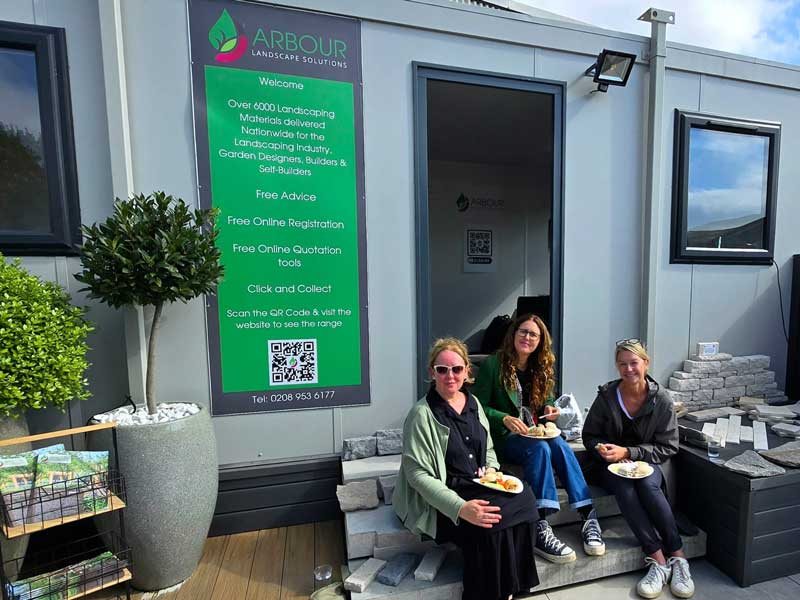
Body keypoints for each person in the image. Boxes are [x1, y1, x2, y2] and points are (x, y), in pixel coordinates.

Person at [394, 338, 540, 600]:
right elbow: (417, 475)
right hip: (443, 499)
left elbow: (491, 449)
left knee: (526, 498)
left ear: (467, 372)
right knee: (491, 524)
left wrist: (493, 471)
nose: (450, 376)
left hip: (481, 484)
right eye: (442, 369)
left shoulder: (474, 404)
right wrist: (460, 509)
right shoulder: (421, 414)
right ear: (431, 373)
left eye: (457, 369)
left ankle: (510, 587)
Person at [472, 314, 604, 562]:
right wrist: (502, 417)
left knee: (556, 442)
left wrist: (549, 409)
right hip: (506, 437)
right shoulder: (493, 364)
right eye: (523, 331)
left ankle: (588, 515)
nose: (527, 337)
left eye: (534, 334)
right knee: (541, 449)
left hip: (536, 433)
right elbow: (476, 406)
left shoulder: (541, 367)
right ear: (513, 334)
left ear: (540, 341)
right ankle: (541, 523)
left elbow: (547, 401)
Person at [582, 339, 695, 599]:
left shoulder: (663, 400)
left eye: (634, 363)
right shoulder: (607, 397)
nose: (628, 369)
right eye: (622, 364)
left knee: (646, 484)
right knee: (624, 486)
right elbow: (589, 436)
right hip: (610, 466)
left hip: (650, 463)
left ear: (646, 363)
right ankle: (658, 559)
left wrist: (631, 453)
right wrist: (602, 448)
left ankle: (678, 557)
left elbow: (668, 446)